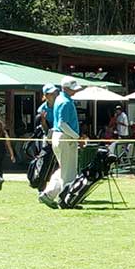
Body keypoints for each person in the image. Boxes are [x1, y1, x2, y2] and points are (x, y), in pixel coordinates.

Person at [38, 76, 82, 208]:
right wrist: (76, 137)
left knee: (64, 170)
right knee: (69, 173)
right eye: (73, 89)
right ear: (66, 88)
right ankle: (66, 200)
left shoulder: (60, 99)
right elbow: (62, 124)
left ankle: (48, 194)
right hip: (65, 138)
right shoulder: (65, 102)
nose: (75, 91)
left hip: (59, 137)